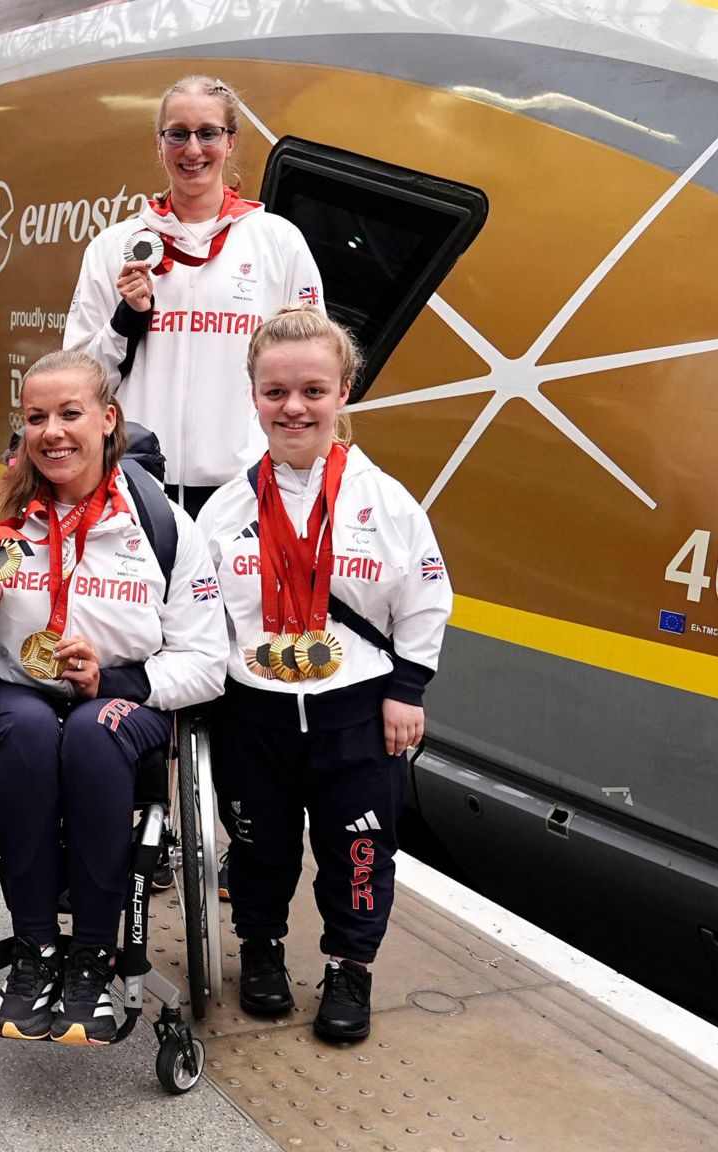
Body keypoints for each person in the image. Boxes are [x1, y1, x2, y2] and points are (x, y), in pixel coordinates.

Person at [0, 349, 227, 1045]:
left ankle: (92, 956)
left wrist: (113, 680)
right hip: (17, 696)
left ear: (107, 419)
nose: (53, 432)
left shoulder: (162, 523)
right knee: (28, 729)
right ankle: (35, 954)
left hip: (121, 705)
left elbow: (208, 664)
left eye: (70, 414)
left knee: (93, 730)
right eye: (36, 417)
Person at [193, 307, 452, 1042]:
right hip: (255, 715)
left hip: (354, 715)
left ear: (344, 392)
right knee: (258, 848)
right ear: (254, 397)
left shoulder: (386, 501)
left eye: (312, 389)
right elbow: (202, 614)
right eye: (276, 392)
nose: (294, 408)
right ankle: (263, 952)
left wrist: (408, 690)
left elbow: (426, 597)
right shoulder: (226, 509)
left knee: (359, 851)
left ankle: (349, 968)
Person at [63, 75, 325, 516]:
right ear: (159, 144)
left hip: (247, 486)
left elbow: (315, 367)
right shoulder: (112, 247)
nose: (193, 149)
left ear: (231, 141)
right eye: (177, 134)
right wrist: (125, 320)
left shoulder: (279, 242)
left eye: (208, 133)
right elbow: (78, 382)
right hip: (137, 482)